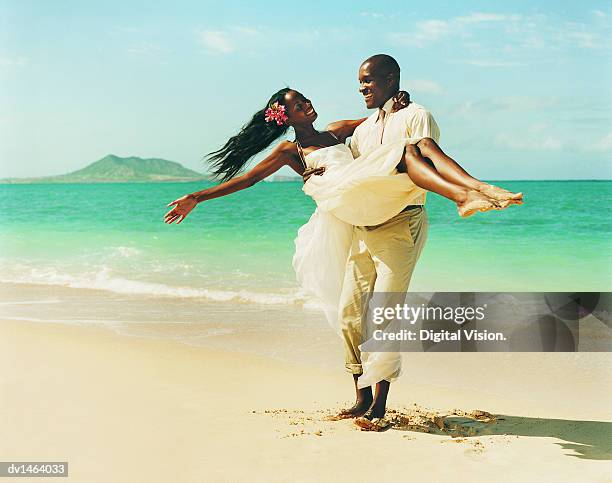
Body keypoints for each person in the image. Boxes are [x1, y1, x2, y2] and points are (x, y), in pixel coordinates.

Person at [164, 71, 522, 431]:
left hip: (367, 199)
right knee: (351, 315)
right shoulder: (291, 151)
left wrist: (397, 101)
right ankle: (361, 398)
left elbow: (380, 117)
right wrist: (197, 197)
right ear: (285, 118)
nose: (307, 104)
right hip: (348, 206)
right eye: (298, 105)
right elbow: (249, 179)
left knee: (404, 155)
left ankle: (379, 406)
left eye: (304, 98)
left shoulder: (336, 131)